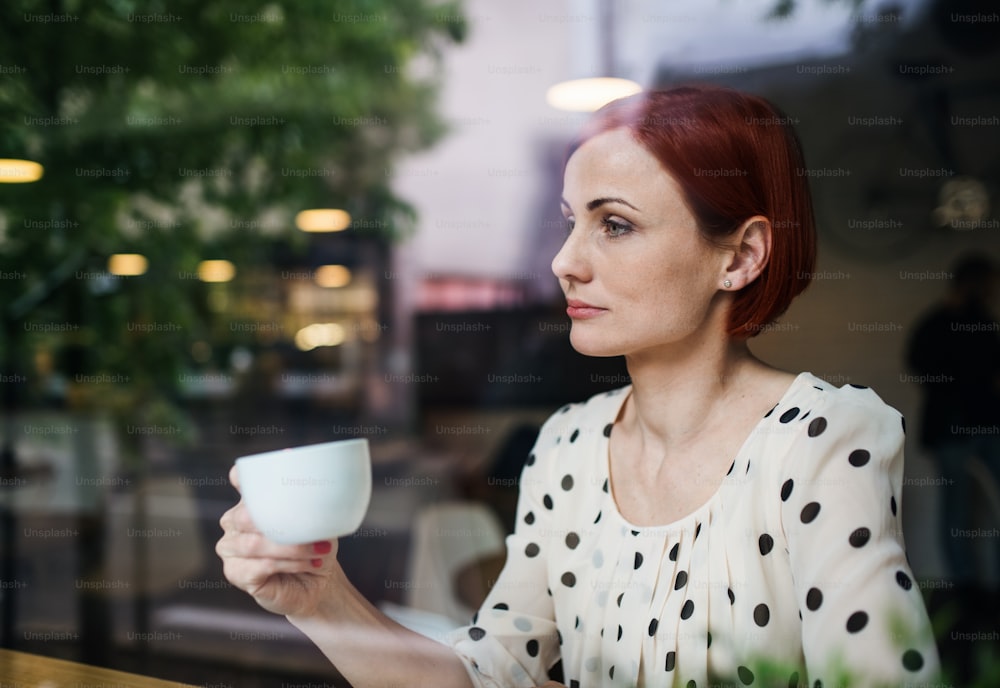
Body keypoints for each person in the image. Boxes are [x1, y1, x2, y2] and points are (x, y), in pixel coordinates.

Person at [216, 86, 940, 687]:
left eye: (614, 225)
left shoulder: (821, 439)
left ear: (742, 255)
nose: (564, 262)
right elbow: (490, 675)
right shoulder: (568, 446)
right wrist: (318, 599)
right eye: (571, 223)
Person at [906, 253, 1000, 586]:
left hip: (988, 425)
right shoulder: (936, 325)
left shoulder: (984, 322)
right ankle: (967, 591)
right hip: (950, 430)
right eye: (986, 285)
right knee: (957, 510)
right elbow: (920, 366)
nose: (991, 291)